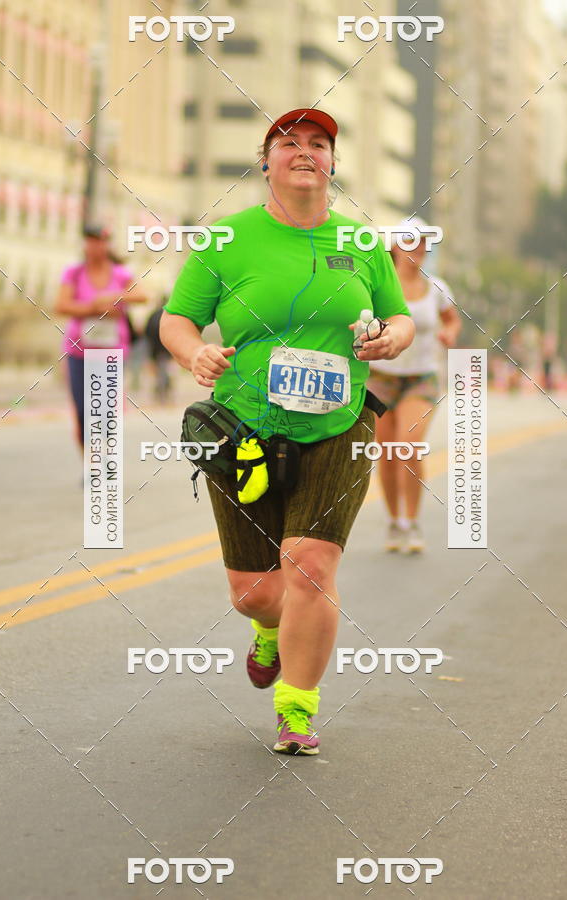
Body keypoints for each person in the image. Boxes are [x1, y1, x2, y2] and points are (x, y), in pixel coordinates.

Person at [160, 108, 415, 755]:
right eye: (289, 142)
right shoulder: (227, 238)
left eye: (319, 143)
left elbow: (400, 318)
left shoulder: (360, 243)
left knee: (309, 567)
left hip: (337, 424)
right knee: (256, 592)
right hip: (242, 429)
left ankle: (296, 711)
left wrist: (390, 339)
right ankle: (271, 631)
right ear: (265, 160)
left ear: (333, 163)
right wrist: (195, 354)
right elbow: (176, 320)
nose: (305, 151)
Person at [367, 217, 461, 553]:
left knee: (407, 445)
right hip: (379, 377)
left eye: (422, 242)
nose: (416, 248)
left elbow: (452, 317)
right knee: (388, 454)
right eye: (409, 241)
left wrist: (449, 334)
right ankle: (396, 522)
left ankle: (413, 519)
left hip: (421, 377)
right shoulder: (379, 284)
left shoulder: (436, 287)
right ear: (394, 246)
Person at [54, 226, 147, 450]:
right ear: (85, 244)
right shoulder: (74, 273)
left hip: (112, 351)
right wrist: (94, 308)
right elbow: (61, 305)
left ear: (108, 244)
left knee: (105, 412)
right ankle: (91, 466)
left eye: (101, 241)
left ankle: (103, 458)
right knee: (83, 411)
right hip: (79, 351)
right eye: (92, 241)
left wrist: (116, 296)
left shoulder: (120, 274)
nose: (96, 247)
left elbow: (143, 295)